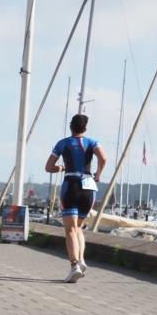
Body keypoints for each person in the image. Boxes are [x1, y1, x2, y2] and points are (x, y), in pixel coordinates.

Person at [45, 113, 107, 283]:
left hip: (71, 186)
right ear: (85, 128)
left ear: (70, 127)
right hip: (89, 187)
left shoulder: (62, 143)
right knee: (78, 227)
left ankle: (74, 266)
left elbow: (48, 167)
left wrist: (63, 168)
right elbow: (103, 157)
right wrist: (98, 175)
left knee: (70, 230)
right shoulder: (92, 142)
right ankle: (81, 260)